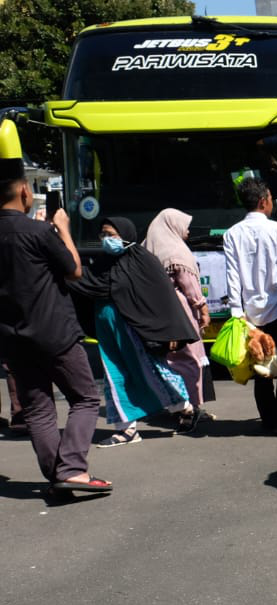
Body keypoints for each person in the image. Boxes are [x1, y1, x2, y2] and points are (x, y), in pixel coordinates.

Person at [0, 119, 108, 495]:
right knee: (85, 397)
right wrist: (61, 228)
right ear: (25, 193)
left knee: (38, 407)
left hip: (13, 336)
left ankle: (56, 473)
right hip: (55, 332)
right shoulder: (38, 232)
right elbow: (75, 271)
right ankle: (73, 467)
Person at [86, 217, 197, 447]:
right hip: (107, 329)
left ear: (125, 234)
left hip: (136, 329)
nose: (107, 240)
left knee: (150, 370)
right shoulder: (102, 263)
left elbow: (163, 298)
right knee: (115, 375)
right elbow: (85, 283)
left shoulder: (143, 260)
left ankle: (184, 407)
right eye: (103, 235)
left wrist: (173, 332)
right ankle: (126, 429)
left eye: (111, 234)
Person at [224, 178, 277, 432]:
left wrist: (237, 313)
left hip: (250, 316)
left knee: (259, 367)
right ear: (263, 201)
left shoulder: (231, 234)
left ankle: (269, 419)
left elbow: (232, 276)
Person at [143, 208, 210, 428]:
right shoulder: (176, 252)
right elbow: (190, 288)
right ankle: (191, 408)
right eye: (185, 226)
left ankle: (176, 404)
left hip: (156, 313)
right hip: (180, 313)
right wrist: (203, 309)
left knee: (168, 360)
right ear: (172, 226)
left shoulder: (146, 249)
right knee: (189, 359)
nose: (188, 232)